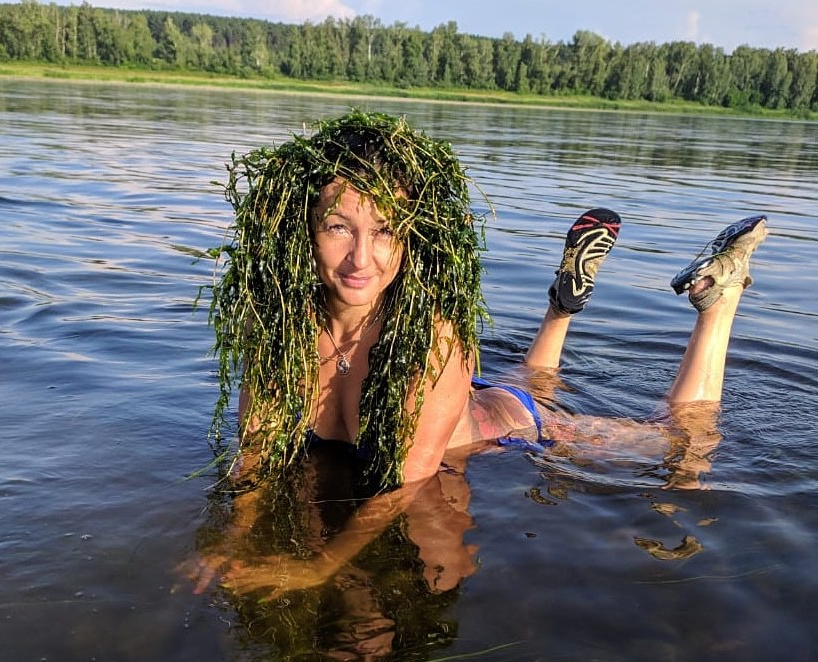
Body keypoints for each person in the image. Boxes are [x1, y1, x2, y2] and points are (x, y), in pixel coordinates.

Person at [196, 110, 767, 597]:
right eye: (339, 228)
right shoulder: (283, 330)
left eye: (386, 232)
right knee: (530, 376)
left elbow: (406, 486)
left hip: (513, 426)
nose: (360, 260)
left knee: (680, 442)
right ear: (304, 232)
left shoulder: (432, 338)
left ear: (414, 239)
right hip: (464, 400)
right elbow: (255, 461)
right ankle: (561, 307)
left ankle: (721, 300)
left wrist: (317, 568)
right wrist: (231, 543)